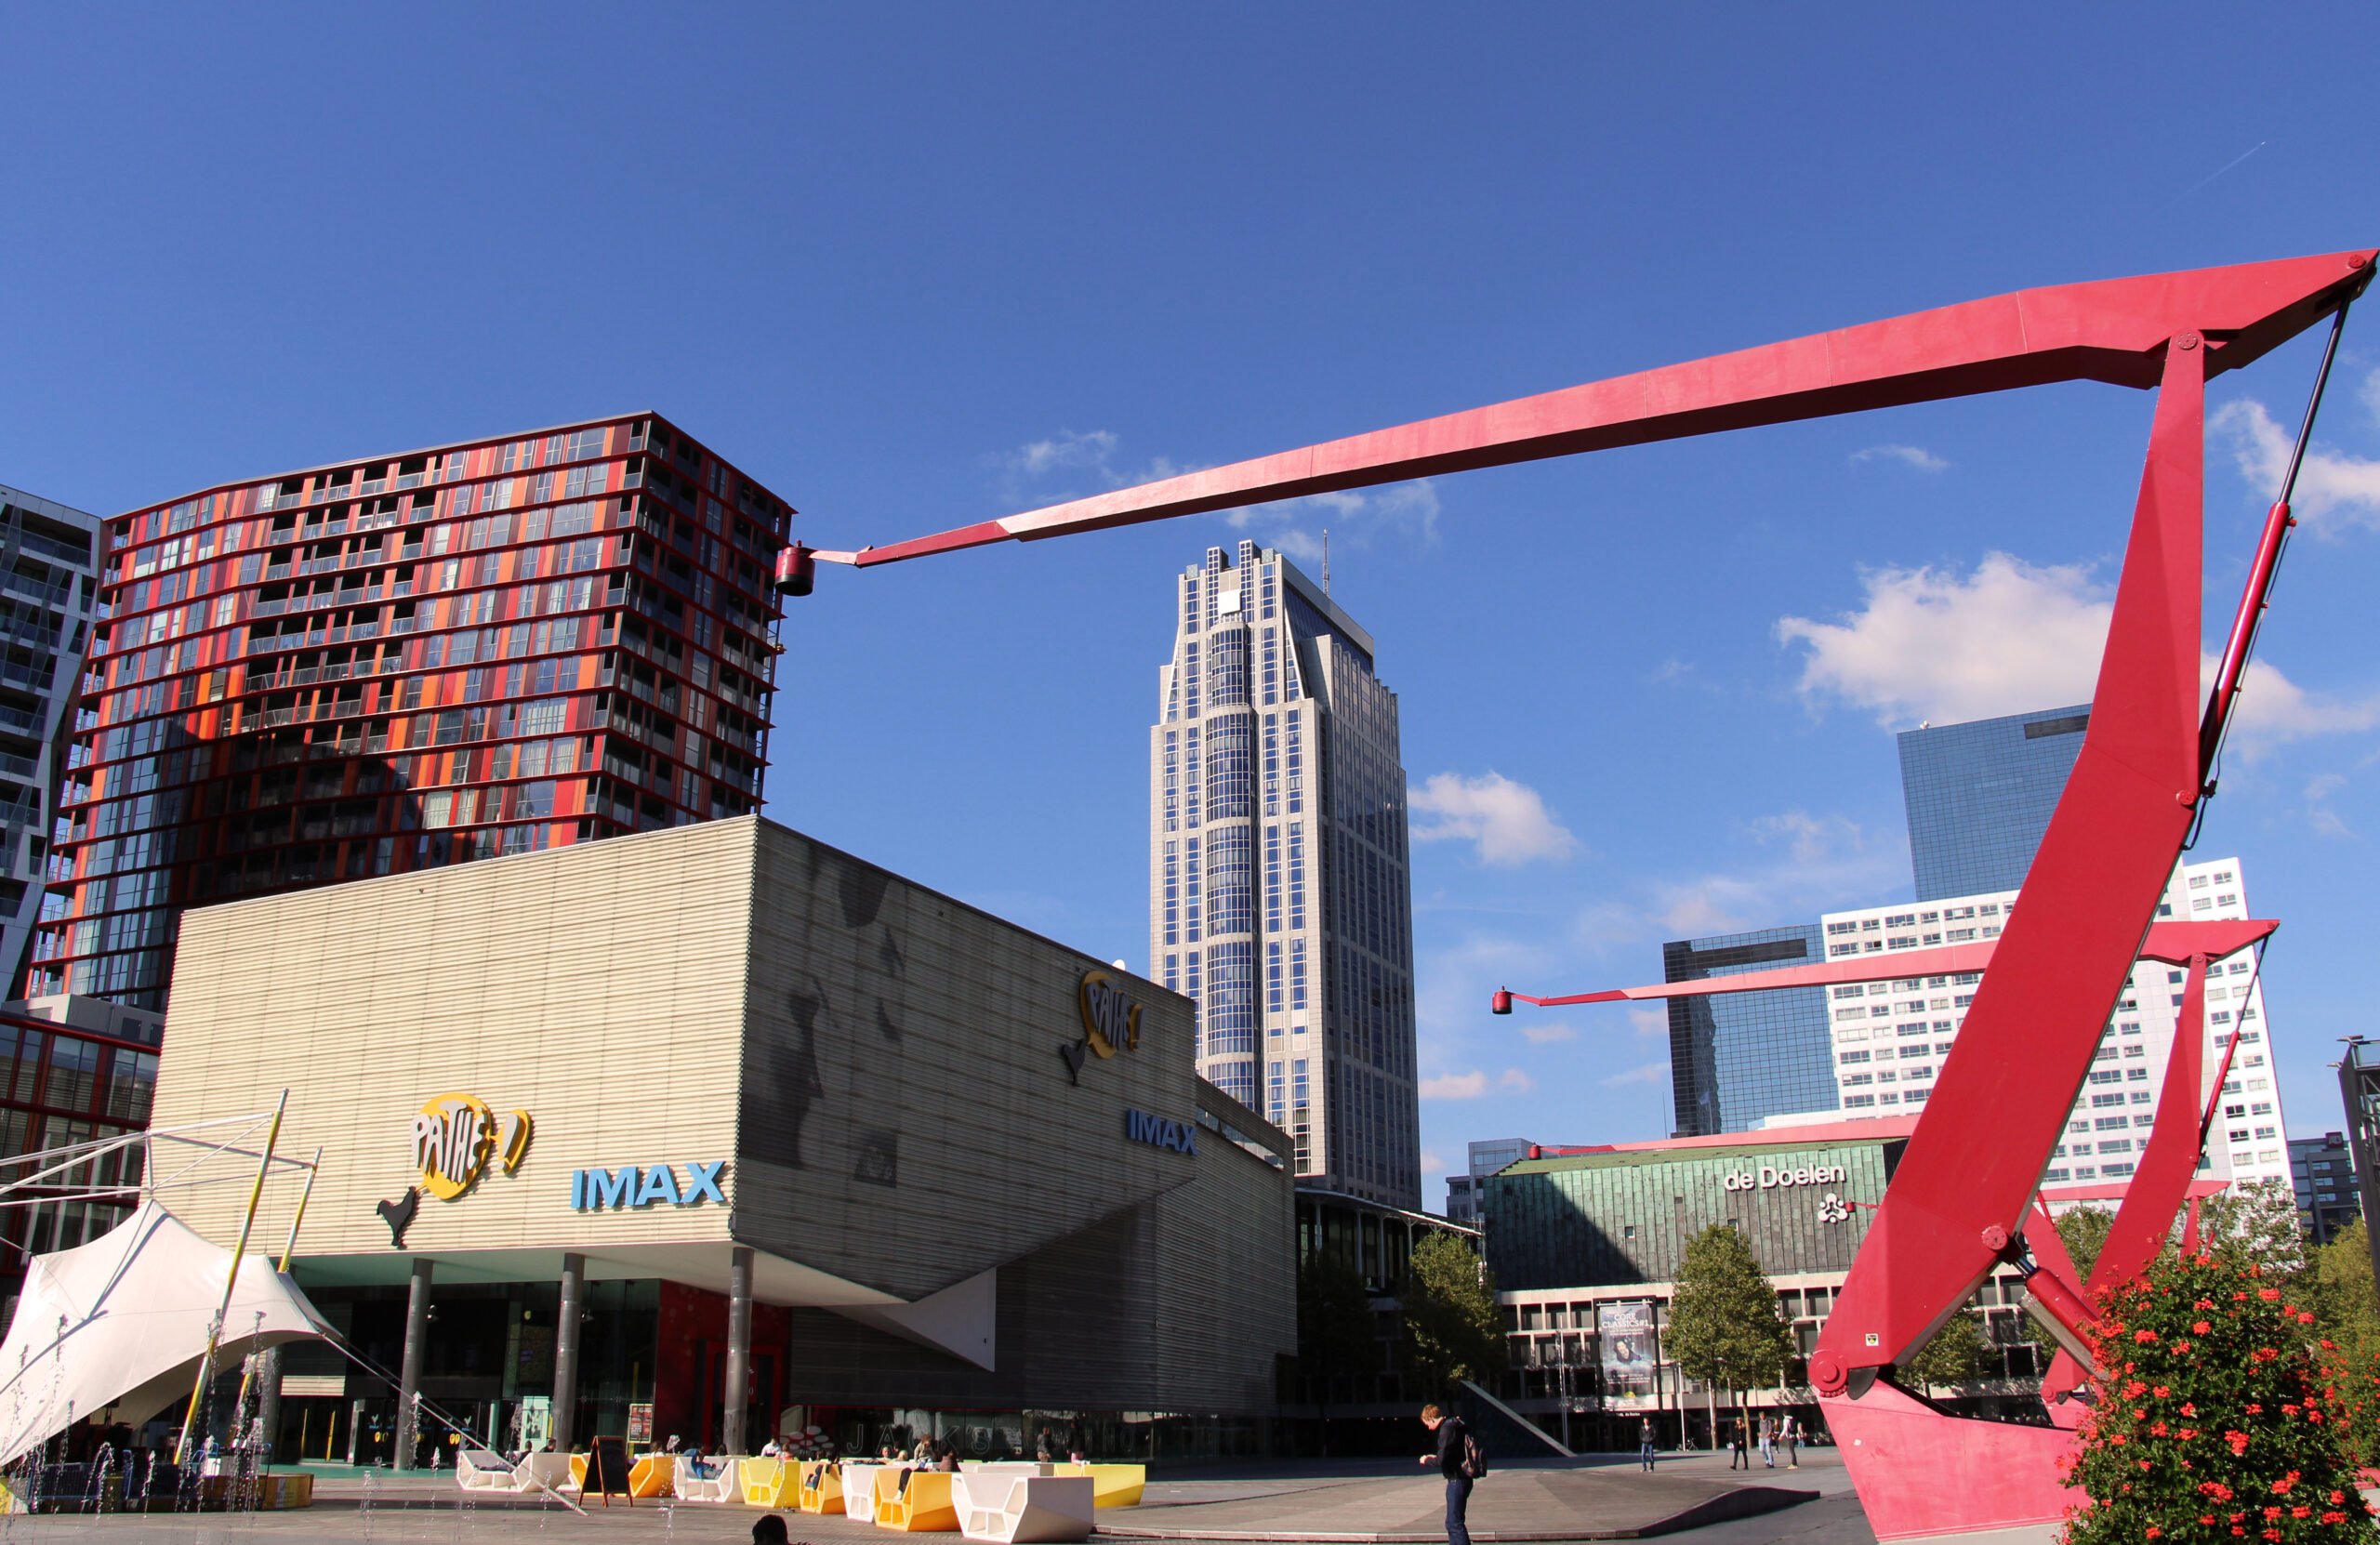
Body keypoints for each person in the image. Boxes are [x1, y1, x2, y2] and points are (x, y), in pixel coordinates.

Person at [1418, 1403, 1474, 1545]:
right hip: (1464, 1477)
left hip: (1457, 1479)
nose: (1428, 1428)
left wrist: (1427, 1460)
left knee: (1454, 1523)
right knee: (1452, 1522)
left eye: (1426, 1424)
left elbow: (1442, 1460)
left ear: (1431, 1418)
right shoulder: (1455, 1424)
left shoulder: (1446, 1430)